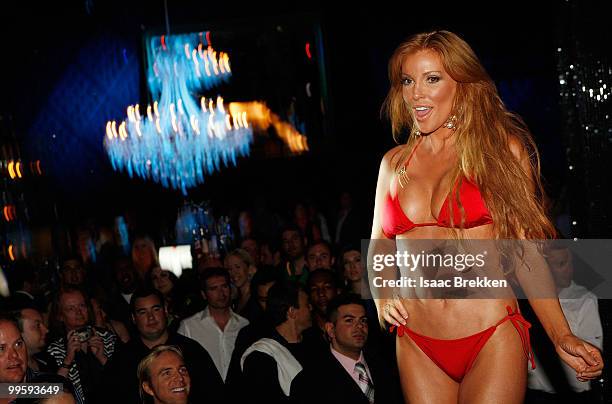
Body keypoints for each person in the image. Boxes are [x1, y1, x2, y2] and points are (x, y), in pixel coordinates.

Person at [371, 30, 603, 403]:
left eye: (432, 79)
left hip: (489, 334)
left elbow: (525, 251)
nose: (416, 93)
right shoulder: (394, 163)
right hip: (416, 339)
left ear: (463, 84)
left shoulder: (500, 151)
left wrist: (561, 334)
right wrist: (382, 296)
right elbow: (380, 243)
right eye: (408, 80)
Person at [101, 288, 223, 404]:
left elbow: (216, 395)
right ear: (134, 318)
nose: (151, 317)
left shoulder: (192, 350)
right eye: (143, 312)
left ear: (165, 311)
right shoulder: (122, 359)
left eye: (156, 309)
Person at [299, 294, 402, 404]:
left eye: (363, 320)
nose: (359, 326)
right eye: (349, 320)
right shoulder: (310, 380)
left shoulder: (384, 366)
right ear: (331, 329)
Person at [240, 281, 312, 404]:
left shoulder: (315, 345)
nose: (311, 308)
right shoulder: (261, 356)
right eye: (307, 305)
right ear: (292, 312)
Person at [47, 287, 117, 404]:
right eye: (71, 308)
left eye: (82, 306)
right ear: (60, 316)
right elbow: (51, 393)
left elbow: (123, 379)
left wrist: (102, 357)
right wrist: (68, 359)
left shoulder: (107, 337)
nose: (78, 312)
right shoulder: (55, 349)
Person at [177, 267, 249, 381]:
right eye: (213, 288)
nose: (221, 293)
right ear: (204, 294)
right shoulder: (189, 326)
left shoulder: (244, 324)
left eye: (224, 286)